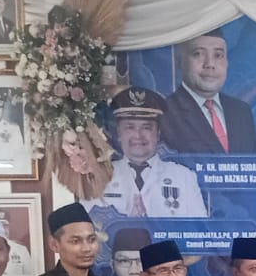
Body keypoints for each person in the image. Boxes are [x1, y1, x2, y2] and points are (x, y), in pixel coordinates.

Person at [82, 87, 207, 218]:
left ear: (158, 133)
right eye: (130, 127)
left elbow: (198, 227)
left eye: (146, 127)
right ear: (119, 133)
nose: (138, 135)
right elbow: (85, 225)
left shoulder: (184, 177)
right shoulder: (99, 177)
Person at [161, 30, 256, 155]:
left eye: (218, 55)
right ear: (180, 61)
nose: (210, 64)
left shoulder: (241, 111)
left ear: (227, 63)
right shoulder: (165, 112)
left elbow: (255, 163)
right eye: (198, 54)